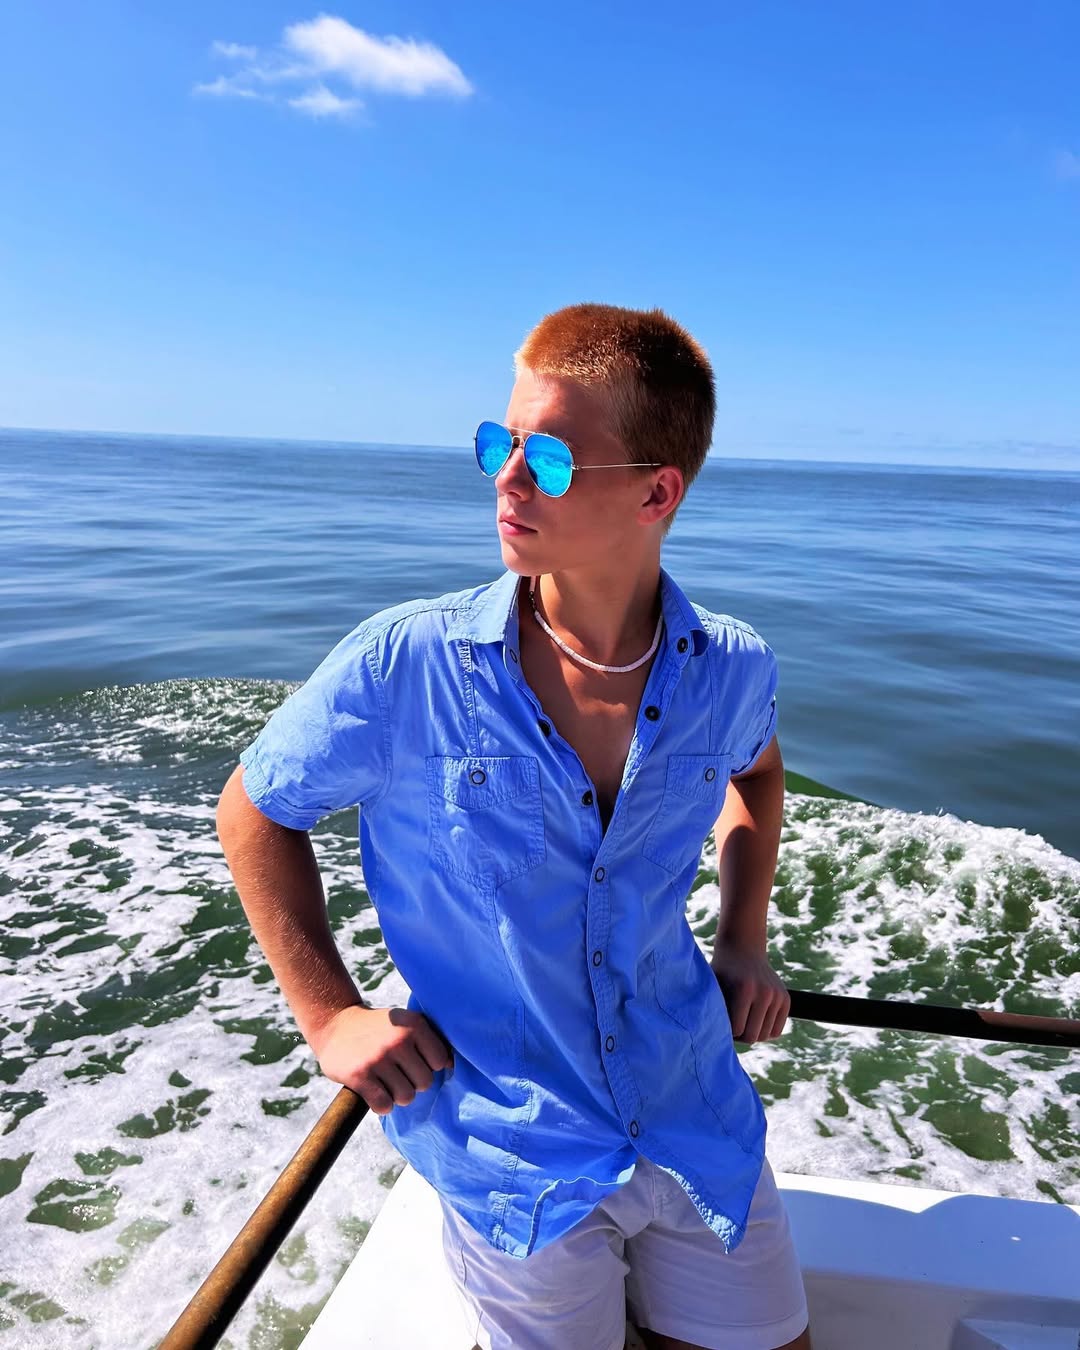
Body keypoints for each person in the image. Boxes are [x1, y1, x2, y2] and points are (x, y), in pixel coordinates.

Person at [216, 303, 811, 1350]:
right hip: (515, 1148)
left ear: (658, 492)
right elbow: (255, 810)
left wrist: (743, 937)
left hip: (693, 1111)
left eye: (550, 458)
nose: (508, 479)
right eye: (501, 443)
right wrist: (330, 1015)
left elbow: (755, 776)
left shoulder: (731, 668)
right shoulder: (407, 664)